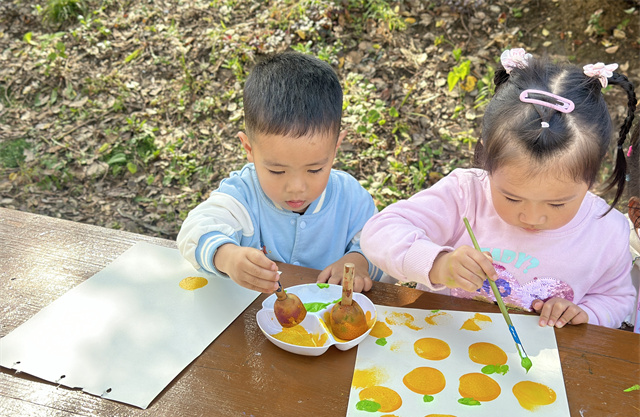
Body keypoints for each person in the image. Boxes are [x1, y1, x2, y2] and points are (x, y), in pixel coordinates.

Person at [361, 49, 637, 329]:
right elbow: (379, 232)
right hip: (443, 340)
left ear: (593, 175)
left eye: (557, 204)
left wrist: (586, 313)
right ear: (487, 159)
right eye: (512, 198)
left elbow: (617, 298)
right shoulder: (466, 194)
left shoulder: (607, 232)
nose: (531, 217)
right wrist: (438, 264)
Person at [177, 51, 384, 294]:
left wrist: (359, 262)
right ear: (249, 149)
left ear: (336, 147)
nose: (296, 187)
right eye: (277, 171)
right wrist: (227, 256)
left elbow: (381, 244)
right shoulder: (244, 195)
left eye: (315, 169)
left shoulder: (350, 198)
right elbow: (194, 231)